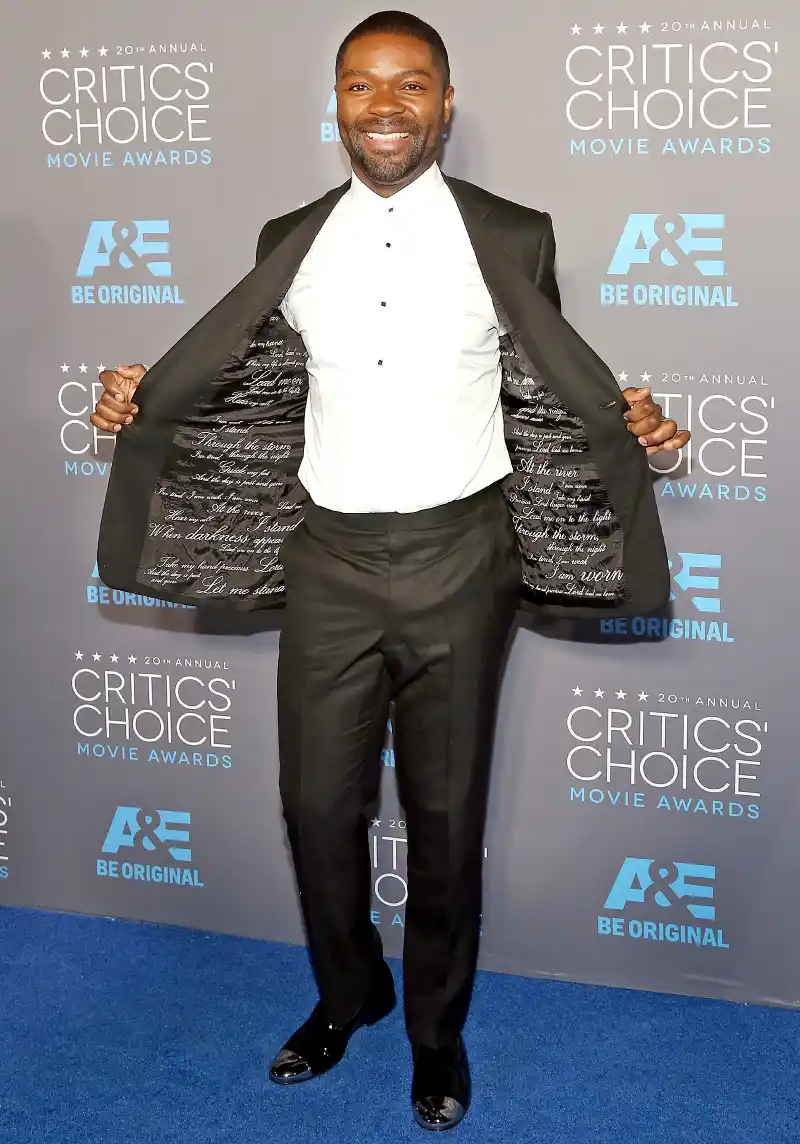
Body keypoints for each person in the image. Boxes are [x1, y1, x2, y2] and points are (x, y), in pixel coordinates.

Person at [91, 11, 689, 1131]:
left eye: (409, 85)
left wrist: (640, 431)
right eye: (361, 85)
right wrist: (139, 394)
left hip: (462, 559)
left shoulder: (513, 232)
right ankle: (347, 993)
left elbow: (547, 382)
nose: (384, 106)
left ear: (444, 102)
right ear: (336, 103)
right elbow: (241, 376)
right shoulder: (289, 232)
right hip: (330, 559)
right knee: (315, 807)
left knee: (444, 815)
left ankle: (434, 1032)